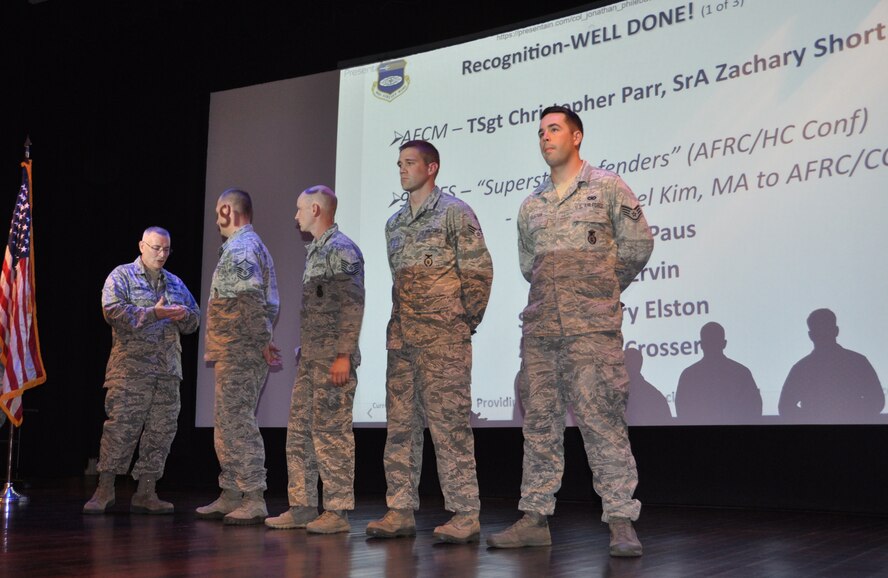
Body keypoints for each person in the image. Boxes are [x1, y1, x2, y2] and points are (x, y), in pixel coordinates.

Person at [487, 106, 654, 556]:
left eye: (554, 129)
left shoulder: (607, 188)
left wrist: (599, 289)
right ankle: (535, 518)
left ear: (577, 137)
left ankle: (621, 522)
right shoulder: (531, 205)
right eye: (540, 131)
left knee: (603, 424)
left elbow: (639, 246)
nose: (545, 137)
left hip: (591, 332)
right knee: (539, 426)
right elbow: (529, 267)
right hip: (541, 333)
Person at [366, 140, 493, 543]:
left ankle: (465, 514)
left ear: (432, 167)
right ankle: (400, 509)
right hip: (402, 341)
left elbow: (479, 274)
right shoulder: (394, 224)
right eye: (399, 163)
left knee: (449, 428)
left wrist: (460, 324)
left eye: (409, 163)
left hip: (444, 342)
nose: (402, 170)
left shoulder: (455, 213)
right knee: (400, 429)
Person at [265, 185, 365, 534]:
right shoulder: (316, 252)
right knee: (299, 435)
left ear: (317, 210)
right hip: (311, 360)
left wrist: (343, 355)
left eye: (300, 209)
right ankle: (303, 506)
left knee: (331, 434)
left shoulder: (343, 251)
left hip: (333, 361)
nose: (296, 216)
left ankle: (336, 512)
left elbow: (353, 305)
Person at [83, 227, 199, 515]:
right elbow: (112, 311)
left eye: (166, 249)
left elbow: (195, 318)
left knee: (161, 432)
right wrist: (153, 313)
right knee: (120, 429)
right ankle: (105, 489)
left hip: (168, 372)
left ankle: (147, 492)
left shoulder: (174, 283)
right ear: (142, 245)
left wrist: (184, 316)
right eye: (156, 248)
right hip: (130, 371)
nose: (162, 254)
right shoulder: (121, 276)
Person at [196, 188, 281, 525]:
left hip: (242, 347)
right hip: (234, 346)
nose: (217, 218)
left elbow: (250, 297)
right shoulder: (239, 246)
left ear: (229, 210)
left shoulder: (242, 247)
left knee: (238, 421)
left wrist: (261, 339)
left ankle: (253, 496)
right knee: (227, 421)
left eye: (219, 210)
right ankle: (232, 491)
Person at [779, 308, 884, 423]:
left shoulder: (801, 368)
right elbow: (877, 401)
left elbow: (785, 408)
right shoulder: (858, 362)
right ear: (836, 331)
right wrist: (852, 415)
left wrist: (812, 418)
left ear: (811, 335)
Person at [675, 322, 762, 424]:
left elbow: (683, 413)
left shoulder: (688, 375)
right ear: (724, 344)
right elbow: (754, 410)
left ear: (701, 345)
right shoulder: (741, 373)